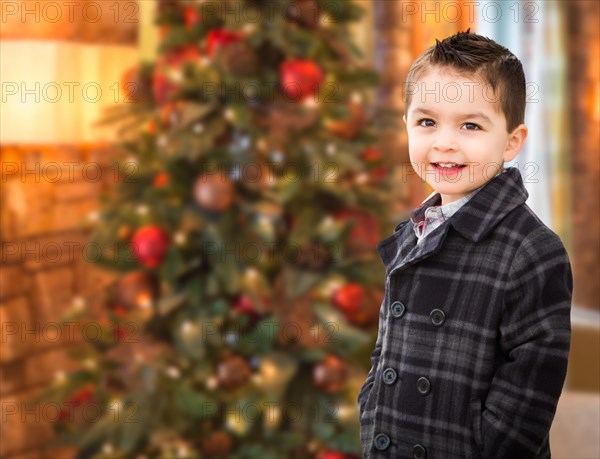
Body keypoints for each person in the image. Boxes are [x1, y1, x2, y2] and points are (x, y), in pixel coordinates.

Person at [357, 29, 573, 459]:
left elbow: (529, 395)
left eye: (471, 125)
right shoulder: (412, 231)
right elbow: (387, 348)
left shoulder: (533, 250)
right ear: (406, 126)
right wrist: (371, 409)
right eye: (427, 122)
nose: (444, 143)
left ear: (512, 142)